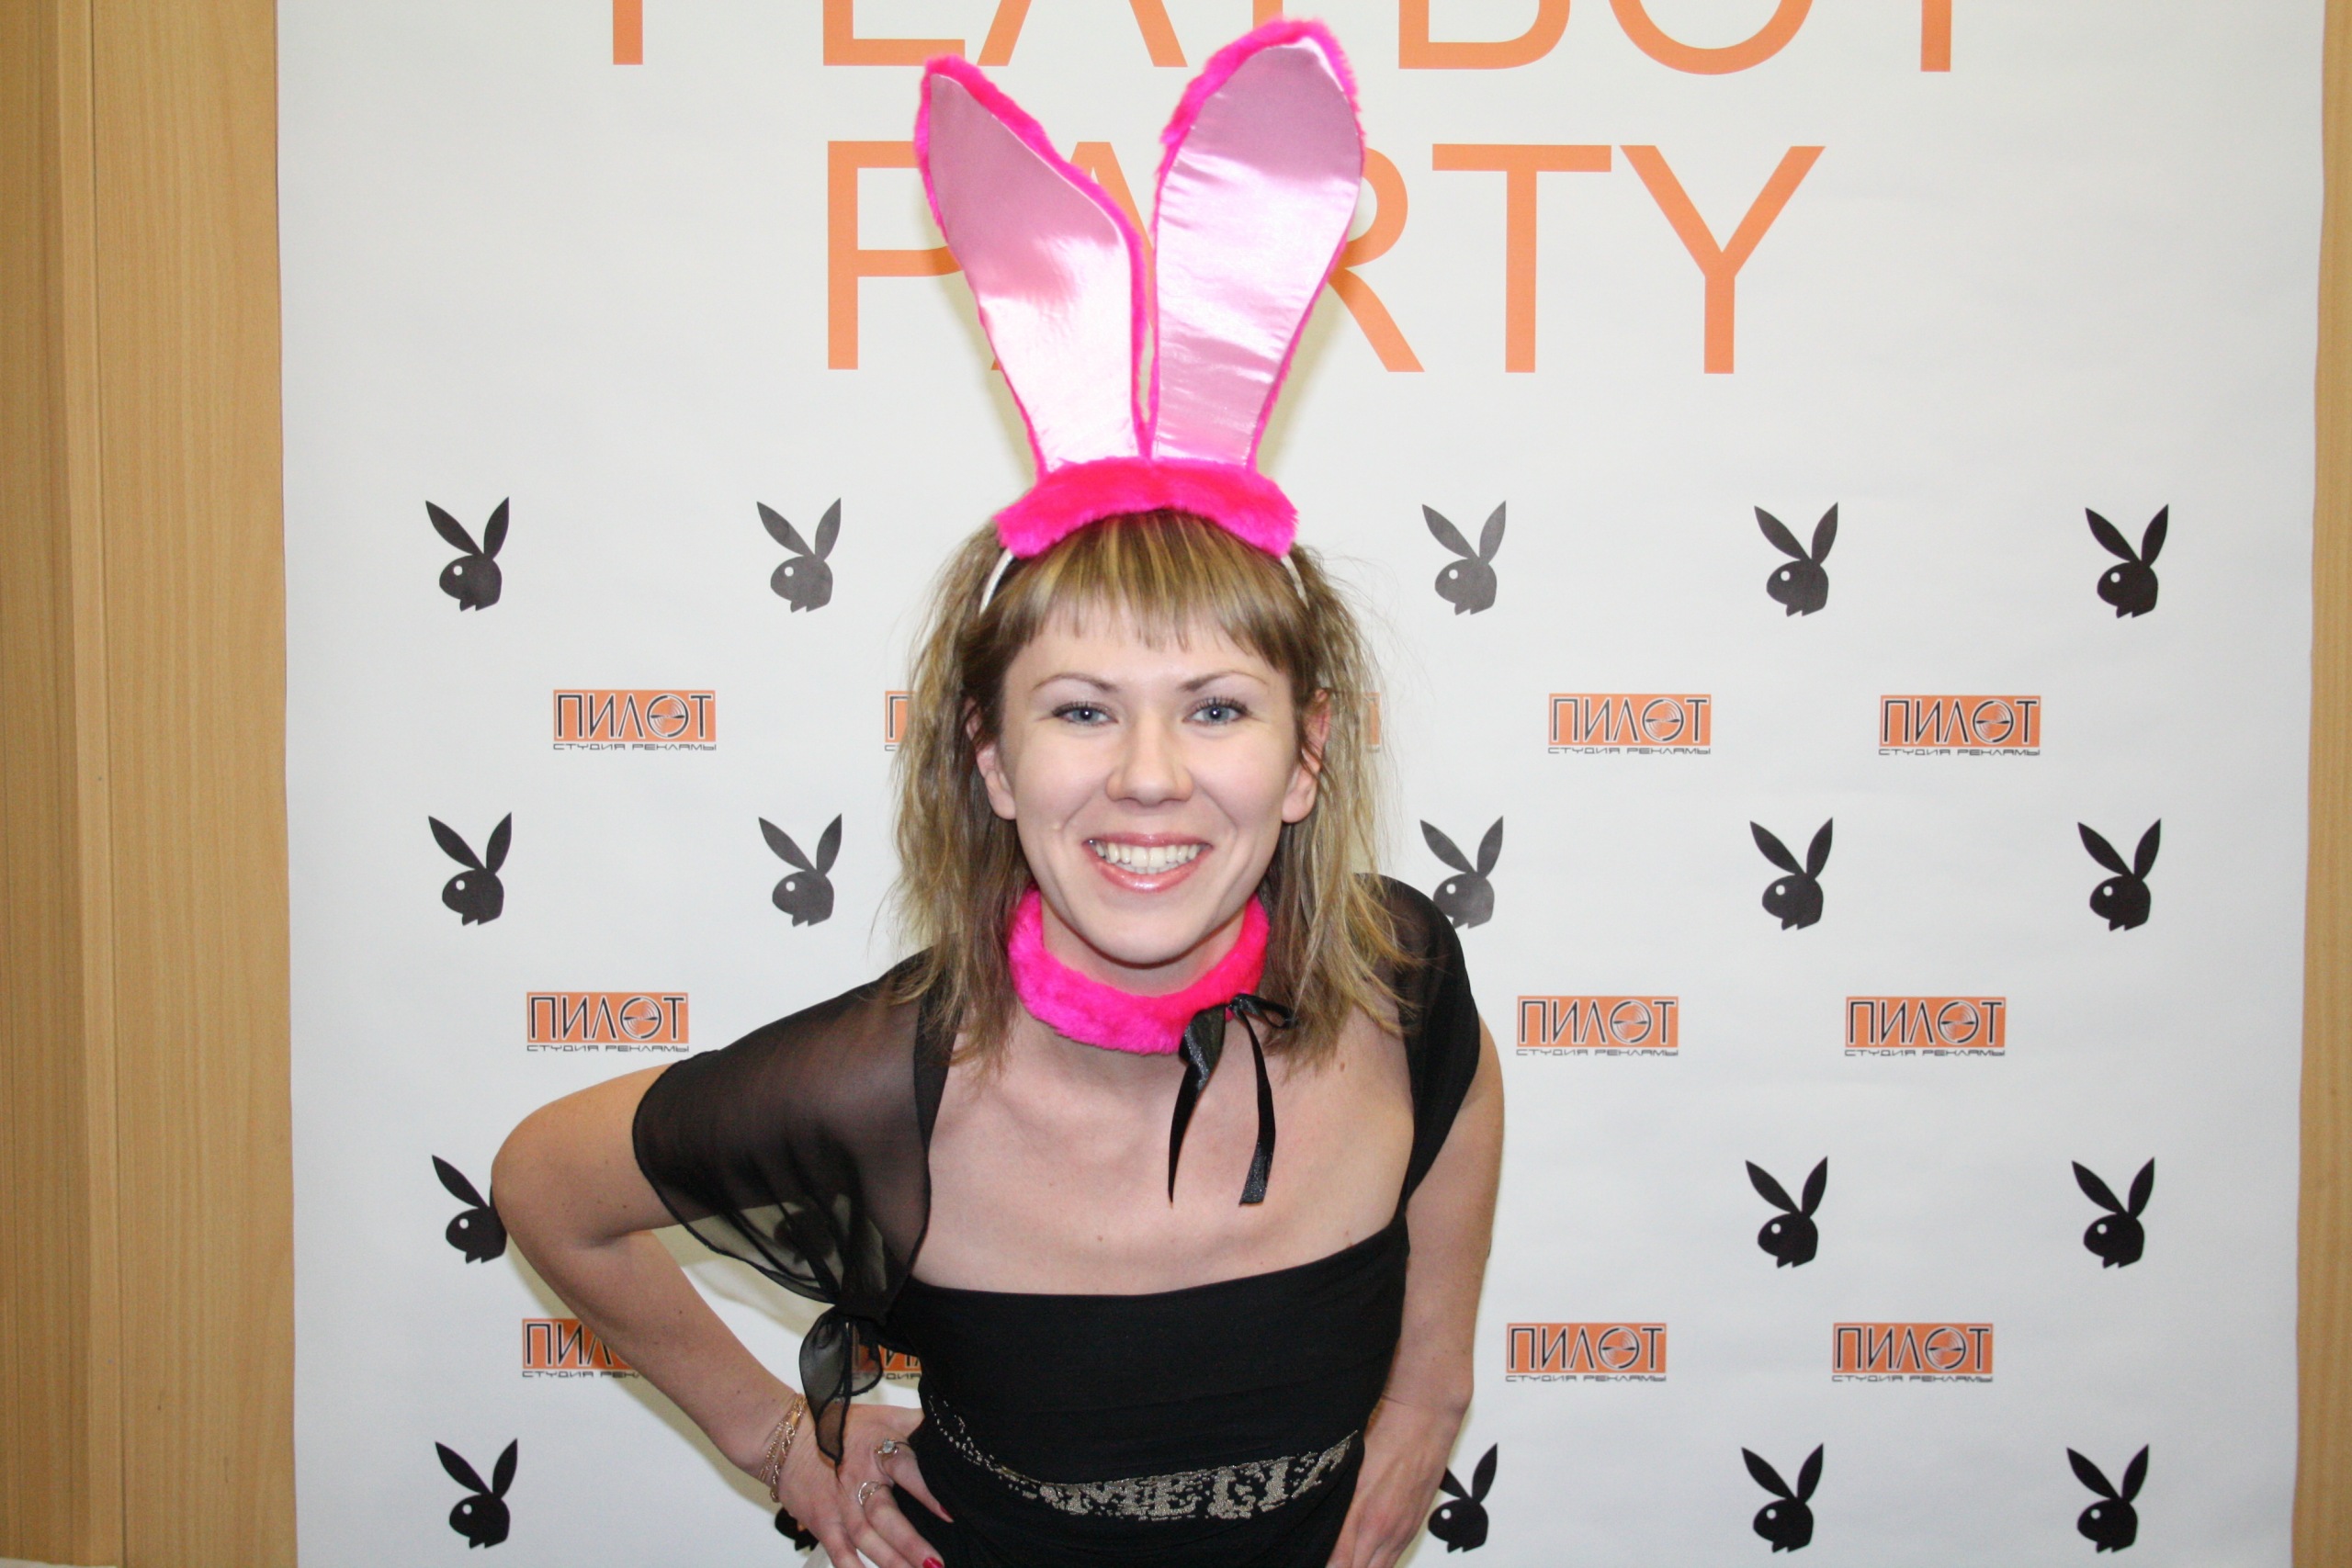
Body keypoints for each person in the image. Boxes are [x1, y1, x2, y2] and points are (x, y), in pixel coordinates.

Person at [492, 22, 1501, 1568]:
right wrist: (775, 1438)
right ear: (988, 756)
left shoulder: (1400, 971)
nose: (1149, 777)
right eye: (1083, 710)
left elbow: (1462, 1100)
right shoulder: (886, 1089)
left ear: (1307, 759)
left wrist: (1432, 1385)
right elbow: (543, 1187)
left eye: (1215, 709)